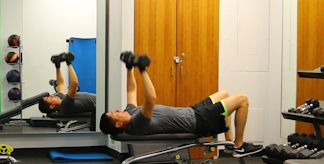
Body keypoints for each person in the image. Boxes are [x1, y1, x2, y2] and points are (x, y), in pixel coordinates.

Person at [99, 52, 263, 157]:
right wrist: (142, 70)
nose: (118, 110)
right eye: (114, 113)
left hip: (194, 111)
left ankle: (229, 141)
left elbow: (131, 90)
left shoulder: (129, 113)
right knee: (242, 99)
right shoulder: (137, 124)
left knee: (224, 94)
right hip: (199, 121)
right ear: (118, 124)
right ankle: (239, 146)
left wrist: (129, 68)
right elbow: (151, 99)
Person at [38, 52, 97, 116]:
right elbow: (74, 84)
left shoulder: (61, 99)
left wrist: (57, 66)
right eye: (49, 98)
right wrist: (68, 63)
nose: (52, 95)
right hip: (101, 105)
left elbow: (60, 84)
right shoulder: (65, 106)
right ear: (52, 106)